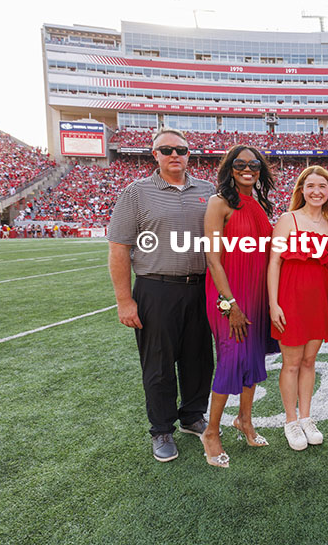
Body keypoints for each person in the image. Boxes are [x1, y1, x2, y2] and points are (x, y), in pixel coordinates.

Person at [107, 127, 215, 463]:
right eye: (166, 150)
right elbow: (119, 248)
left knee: (199, 358)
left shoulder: (207, 189)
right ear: (154, 155)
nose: (174, 156)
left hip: (199, 287)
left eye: (180, 150)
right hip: (156, 287)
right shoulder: (136, 193)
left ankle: (193, 416)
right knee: (158, 363)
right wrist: (125, 300)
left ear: (188, 154)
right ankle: (162, 428)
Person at [200, 145, 280, 468]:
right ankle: (211, 431)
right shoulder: (218, 204)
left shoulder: (260, 204)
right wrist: (230, 303)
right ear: (229, 168)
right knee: (231, 358)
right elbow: (213, 258)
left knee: (253, 358)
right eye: (240, 164)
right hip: (228, 294)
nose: (248, 169)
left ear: (260, 170)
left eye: (254, 165)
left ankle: (244, 420)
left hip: (256, 294)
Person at [268, 166, 328, 451]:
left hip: (320, 299)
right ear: (301, 190)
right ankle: (290, 421)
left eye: (322, 186)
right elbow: (274, 263)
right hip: (291, 297)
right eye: (310, 186)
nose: (316, 191)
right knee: (292, 363)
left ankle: (307, 417)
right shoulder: (288, 220)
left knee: (310, 361)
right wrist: (274, 304)